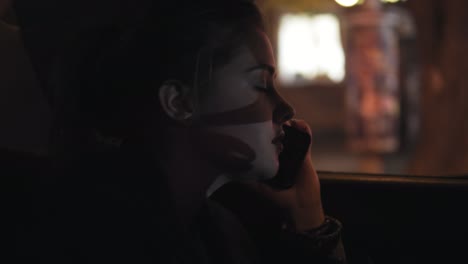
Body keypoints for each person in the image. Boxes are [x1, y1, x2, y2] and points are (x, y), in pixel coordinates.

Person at [20, 0, 346, 263]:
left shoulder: (217, 228)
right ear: (178, 102)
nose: (287, 110)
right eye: (261, 84)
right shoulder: (103, 234)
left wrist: (307, 213)